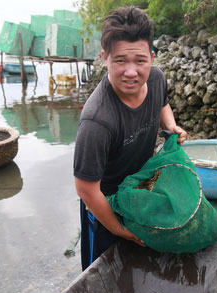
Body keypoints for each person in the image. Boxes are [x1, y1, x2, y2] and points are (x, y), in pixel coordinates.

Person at [73, 6, 187, 271]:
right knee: (100, 271)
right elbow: (86, 189)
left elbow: (162, 103)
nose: (131, 72)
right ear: (105, 58)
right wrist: (119, 229)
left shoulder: (157, 79)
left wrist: (171, 125)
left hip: (140, 188)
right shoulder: (97, 120)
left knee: (136, 264)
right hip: (105, 202)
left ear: (152, 57)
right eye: (120, 60)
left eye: (140, 61)